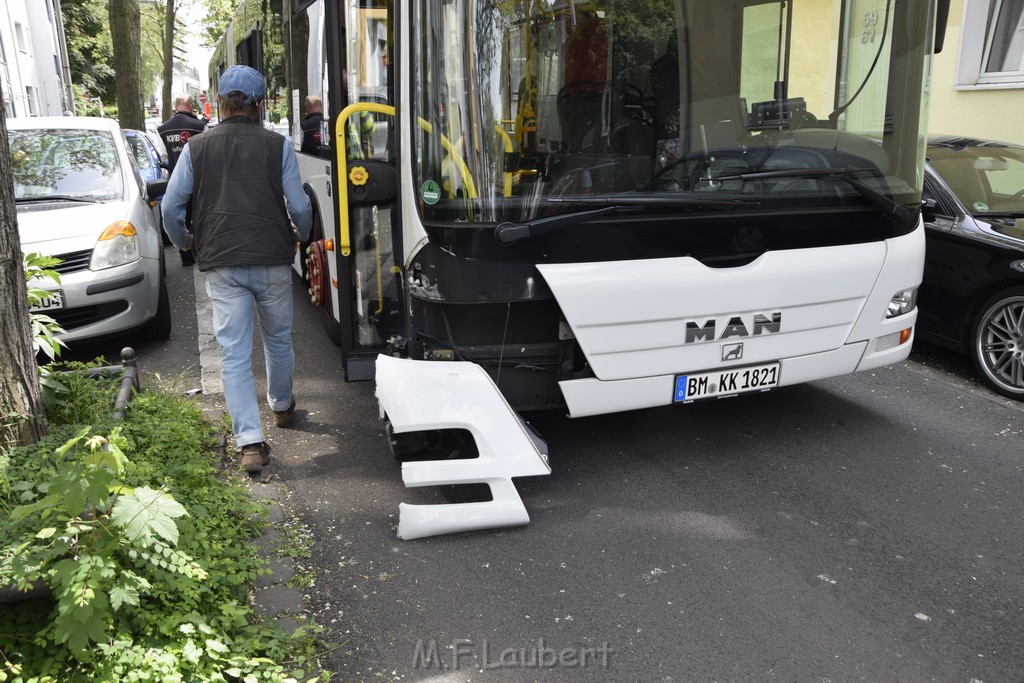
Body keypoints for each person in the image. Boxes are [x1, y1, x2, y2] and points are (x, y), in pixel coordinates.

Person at [161, 65, 313, 474]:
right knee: (278, 339)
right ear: (260, 105)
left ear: (220, 103)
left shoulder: (197, 148)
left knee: (233, 353)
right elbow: (298, 205)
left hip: (222, 261)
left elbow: (172, 209)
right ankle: (282, 406)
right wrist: (304, 232)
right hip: (272, 257)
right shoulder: (276, 144)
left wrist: (185, 242)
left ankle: (250, 442)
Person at [158, 95, 208, 265]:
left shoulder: (163, 129)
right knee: (200, 216)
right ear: (191, 106)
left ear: (176, 106)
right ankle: (202, 251)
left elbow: (164, 157)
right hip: (200, 181)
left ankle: (186, 255)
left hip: (177, 181)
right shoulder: (200, 126)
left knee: (180, 216)